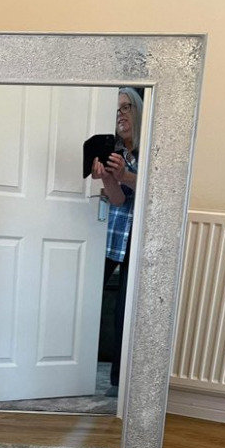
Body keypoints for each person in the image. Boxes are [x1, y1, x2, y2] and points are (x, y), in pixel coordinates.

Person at [91, 87, 143, 393]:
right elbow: (119, 201)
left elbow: (154, 186)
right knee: (83, 299)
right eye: (116, 110)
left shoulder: (151, 150)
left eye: (127, 108)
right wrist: (109, 177)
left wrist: (125, 175)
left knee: (124, 310)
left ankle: (117, 382)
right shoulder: (116, 154)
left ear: (138, 111)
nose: (121, 115)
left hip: (137, 240)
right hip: (111, 237)